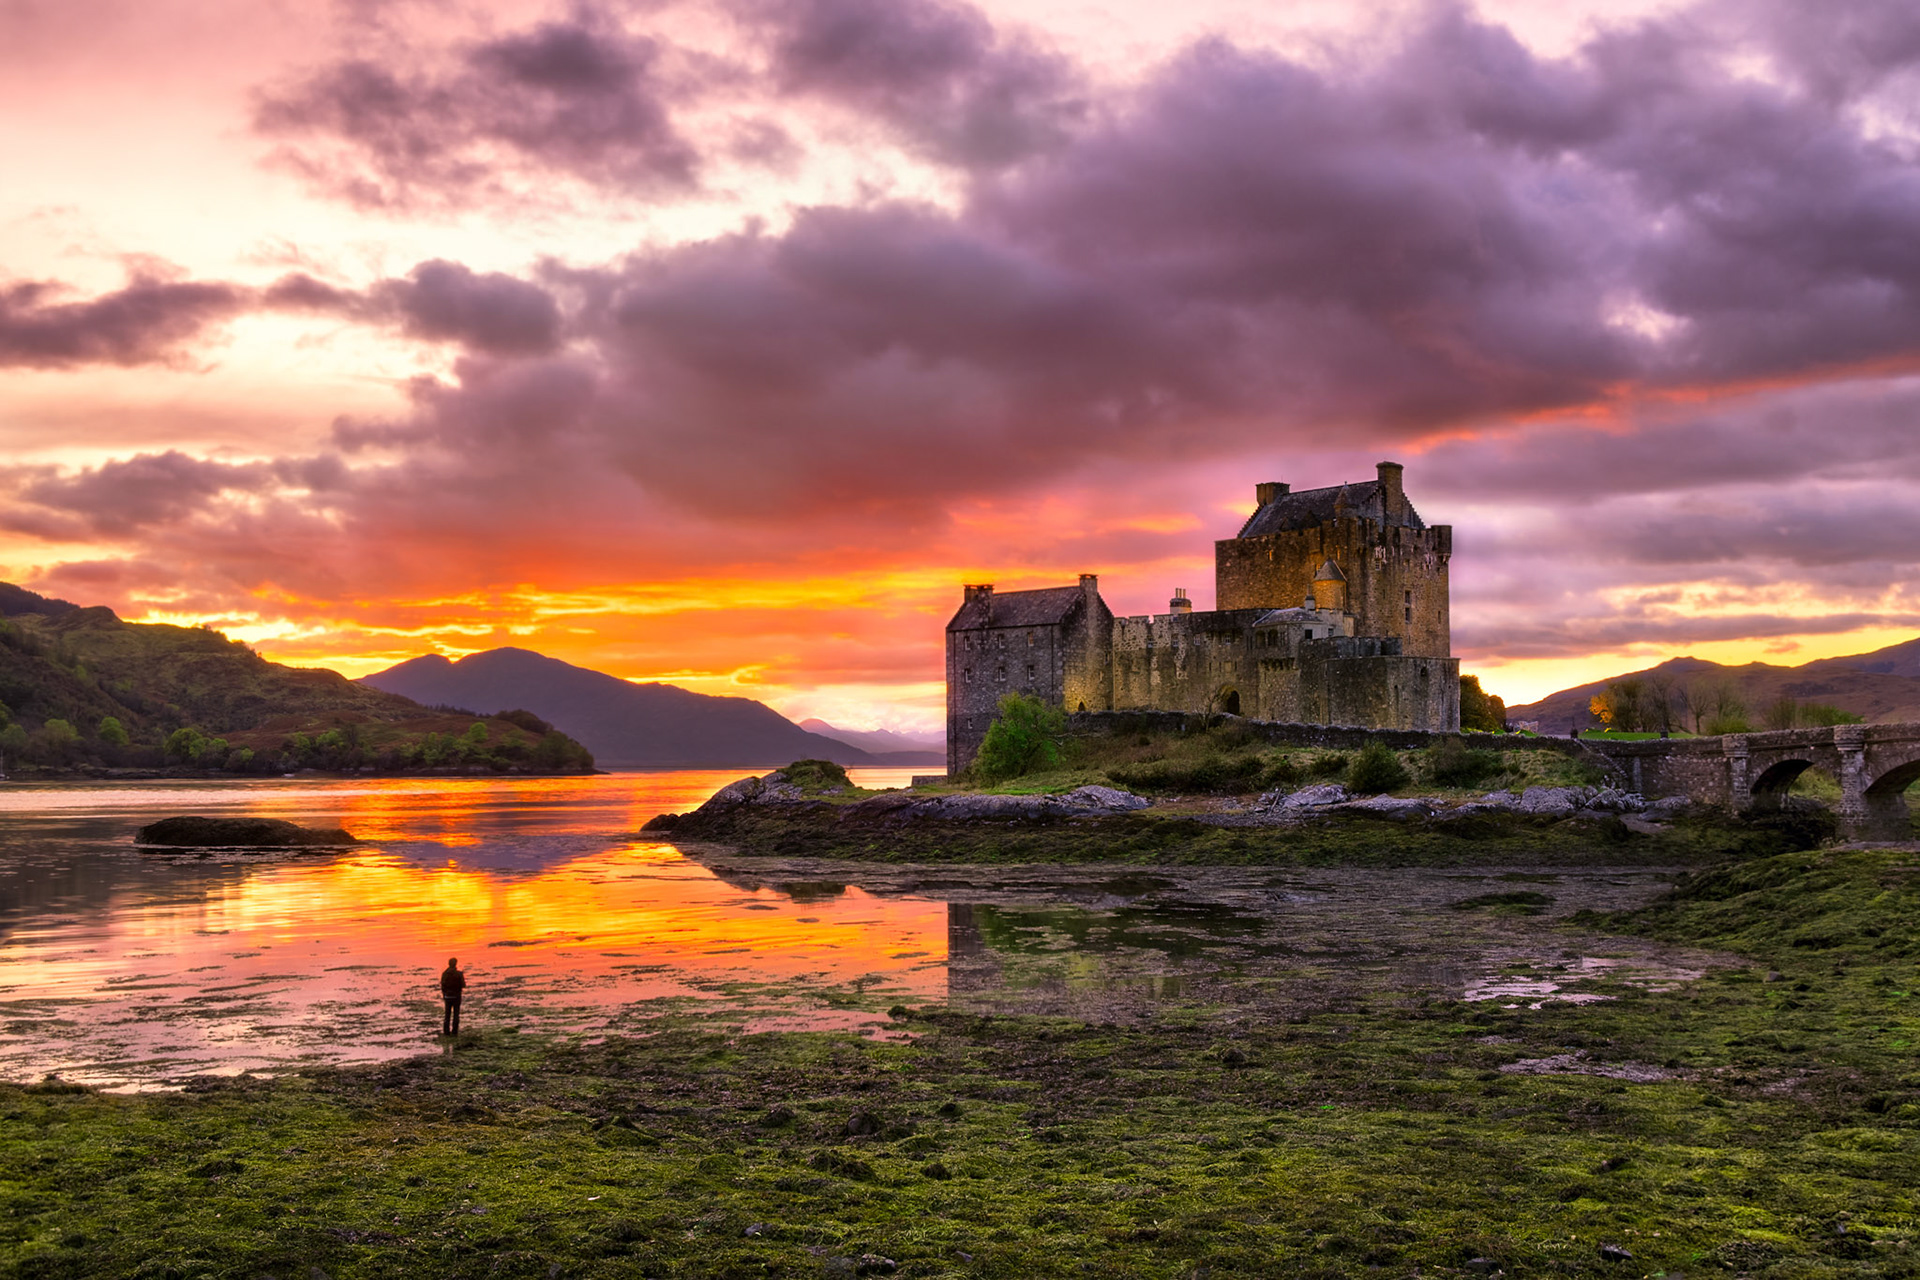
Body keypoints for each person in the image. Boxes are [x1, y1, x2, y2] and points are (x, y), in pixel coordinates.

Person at [440, 957, 466, 1036]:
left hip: (447, 997)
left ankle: (446, 1032)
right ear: (456, 964)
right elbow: (463, 985)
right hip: (456, 997)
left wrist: (444, 995)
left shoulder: (444, 974)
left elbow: (442, 985)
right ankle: (455, 1032)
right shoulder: (459, 974)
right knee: (456, 1014)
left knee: (447, 1015)